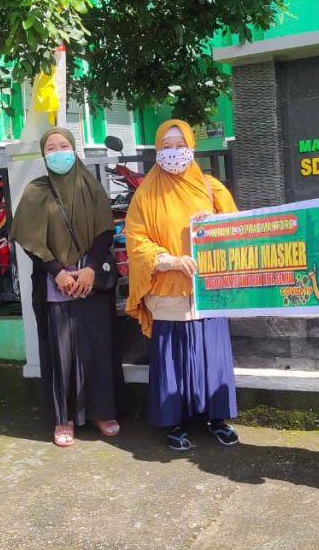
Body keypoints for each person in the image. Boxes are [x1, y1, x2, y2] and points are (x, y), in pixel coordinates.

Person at [125, 120, 240, 451]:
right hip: (168, 289)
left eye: (180, 145)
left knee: (212, 352)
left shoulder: (210, 187)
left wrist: (214, 224)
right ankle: (173, 423)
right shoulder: (146, 193)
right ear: (157, 150)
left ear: (191, 146)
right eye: (167, 146)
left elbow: (238, 228)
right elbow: (136, 239)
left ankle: (217, 419)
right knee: (172, 356)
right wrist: (169, 260)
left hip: (208, 289)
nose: (174, 152)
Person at [12, 127, 120, 447]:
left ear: (74, 149)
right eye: (51, 148)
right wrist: (57, 271)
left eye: (64, 146)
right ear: (44, 156)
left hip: (91, 281)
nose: (58, 152)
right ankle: (64, 418)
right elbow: (30, 240)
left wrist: (88, 269)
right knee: (62, 353)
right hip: (55, 283)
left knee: (98, 348)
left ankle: (102, 411)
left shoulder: (92, 186)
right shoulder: (35, 190)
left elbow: (104, 231)